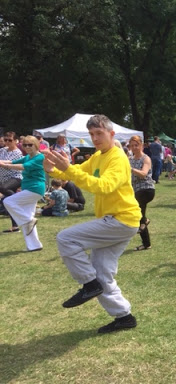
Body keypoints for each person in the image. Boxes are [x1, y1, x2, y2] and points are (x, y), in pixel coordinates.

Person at [43, 114, 141, 334]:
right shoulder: (98, 156)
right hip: (117, 221)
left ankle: (89, 284)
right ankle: (124, 317)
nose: (95, 139)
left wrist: (68, 169)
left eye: (99, 133)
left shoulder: (117, 158)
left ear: (111, 134)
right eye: (91, 134)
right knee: (103, 273)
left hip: (121, 219)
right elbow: (77, 172)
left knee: (66, 238)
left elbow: (103, 187)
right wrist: (52, 169)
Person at [0, 135, 45, 251]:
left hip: (35, 189)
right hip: (28, 189)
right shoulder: (27, 157)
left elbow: (22, 167)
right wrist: (3, 162)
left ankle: (28, 220)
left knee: (7, 201)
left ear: (36, 145)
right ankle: (34, 245)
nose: (27, 147)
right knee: (28, 218)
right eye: (25, 145)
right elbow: (12, 161)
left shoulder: (40, 157)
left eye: (30, 144)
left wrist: (5, 166)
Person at [129, 135, 155, 250]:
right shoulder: (130, 160)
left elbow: (144, 173)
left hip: (146, 189)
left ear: (141, 145)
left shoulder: (146, 159)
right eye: (132, 146)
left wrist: (131, 169)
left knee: (137, 210)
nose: (134, 148)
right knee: (139, 216)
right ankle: (146, 244)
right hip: (136, 190)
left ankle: (144, 221)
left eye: (136, 145)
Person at [0, 132, 24, 232]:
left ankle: (18, 202)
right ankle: (15, 227)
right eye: (5, 140)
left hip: (16, 177)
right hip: (4, 179)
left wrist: (1, 163)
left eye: (10, 140)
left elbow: (8, 165)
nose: (7, 142)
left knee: (3, 189)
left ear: (15, 141)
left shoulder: (17, 153)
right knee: (8, 201)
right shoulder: (2, 150)